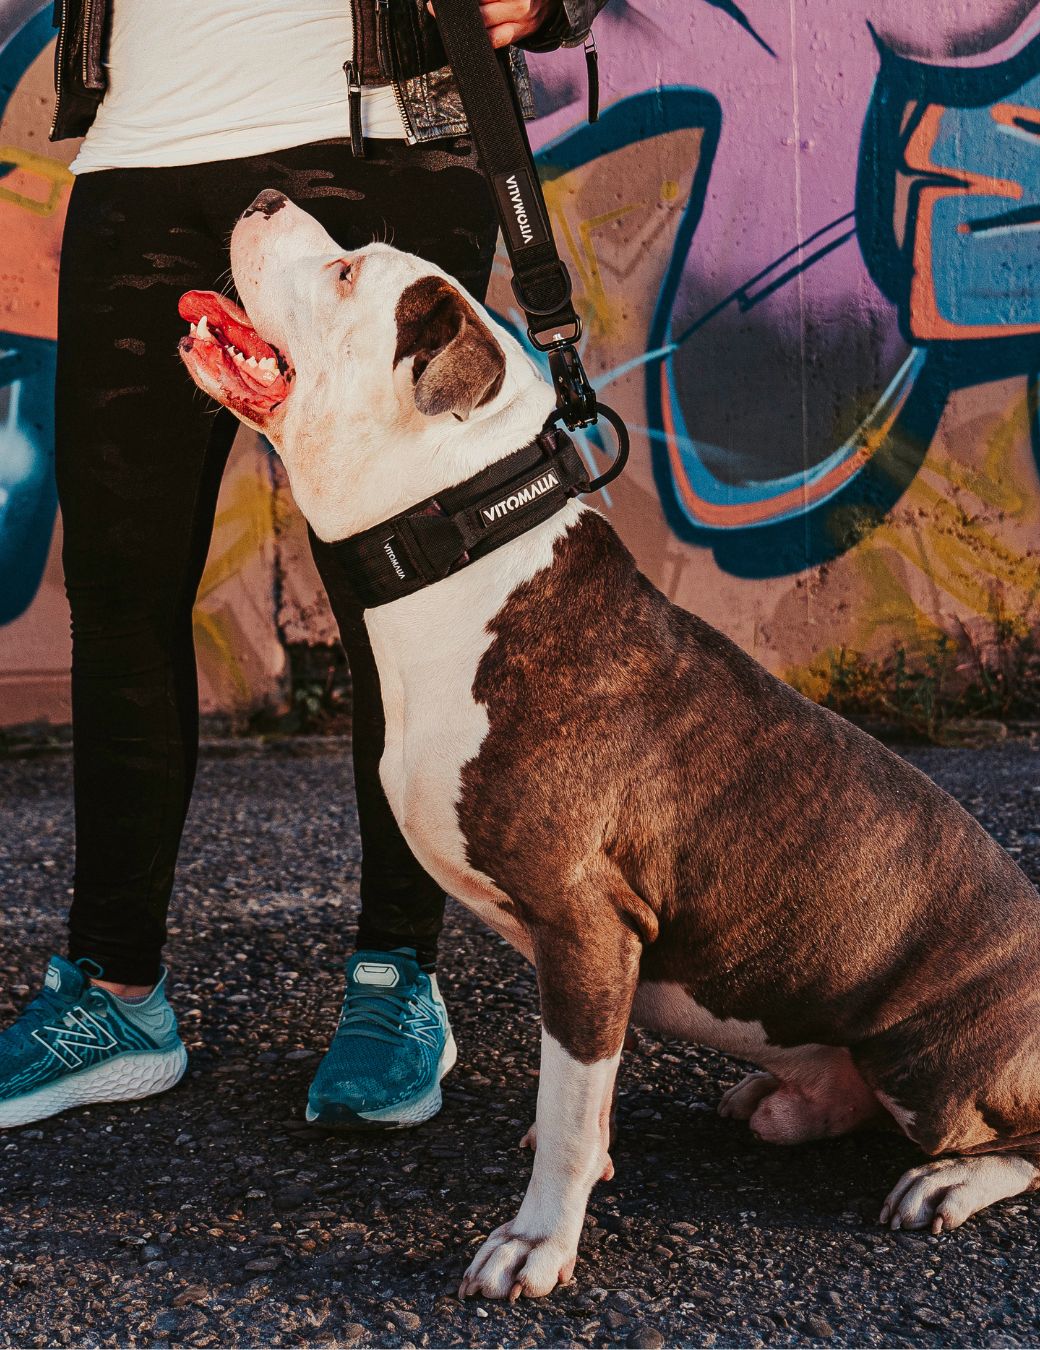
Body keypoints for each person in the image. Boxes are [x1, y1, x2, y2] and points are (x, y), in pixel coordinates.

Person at [0, 0, 606, 1133]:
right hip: (143, 144)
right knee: (121, 592)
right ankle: (115, 993)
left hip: (375, 134)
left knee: (390, 594)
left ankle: (395, 976)